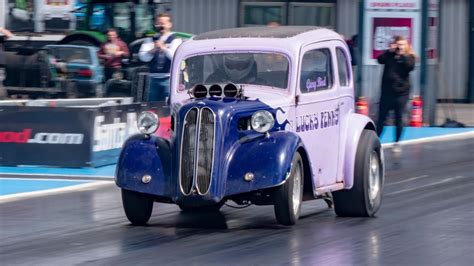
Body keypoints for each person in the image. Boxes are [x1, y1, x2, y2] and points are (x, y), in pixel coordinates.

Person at [376, 36, 416, 153]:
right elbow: (380, 60)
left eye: (402, 45)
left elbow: (410, 67)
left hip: (401, 93)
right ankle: (376, 141)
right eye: (398, 44)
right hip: (387, 92)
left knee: (399, 117)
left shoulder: (409, 57)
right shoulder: (389, 56)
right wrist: (389, 51)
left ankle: (397, 142)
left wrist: (402, 55)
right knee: (381, 118)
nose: (399, 47)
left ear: (406, 46)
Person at [139, 13, 182, 101]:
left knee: (168, 106)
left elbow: (175, 57)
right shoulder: (150, 40)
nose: (161, 26)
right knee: (153, 106)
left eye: (163, 23)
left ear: (169, 25)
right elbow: (143, 57)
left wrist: (164, 48)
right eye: (159, 23)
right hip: (153, 79)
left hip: (169, 79)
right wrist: (154, 49)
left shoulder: (175, 40)